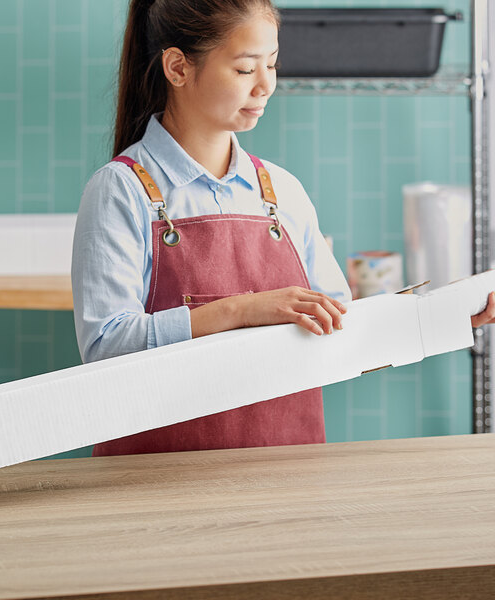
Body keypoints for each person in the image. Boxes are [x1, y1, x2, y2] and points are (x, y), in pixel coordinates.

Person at [72, 0, 495, 457]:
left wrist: (433, 323)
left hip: (287, 472)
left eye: (272, 64)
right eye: (244, 69)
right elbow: (106, 346)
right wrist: (241, 310)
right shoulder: (120, 190)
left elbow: (341, 331)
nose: (266, 85)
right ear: (177, 67)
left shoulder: (282, 191)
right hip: (156, 479)